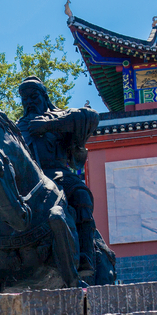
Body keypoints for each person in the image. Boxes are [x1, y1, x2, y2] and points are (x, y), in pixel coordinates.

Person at [16, 77, 100, 276]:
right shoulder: (17, 128)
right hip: (25, 183)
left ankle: (86, 254)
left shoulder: (61, 116)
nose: (29, 102)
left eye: (34, 96)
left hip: (57, 174)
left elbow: (91, 116)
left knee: (81, 196)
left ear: (44, 97)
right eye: (25, 98)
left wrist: (49, 125)